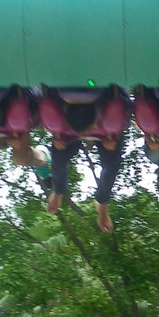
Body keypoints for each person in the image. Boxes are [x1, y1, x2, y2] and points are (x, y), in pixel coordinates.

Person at [45, 93, 126, 234]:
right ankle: (58, 190)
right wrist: (57, 139)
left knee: (111, 162)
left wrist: (116, 138)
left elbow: (126, 106)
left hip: (103, 117)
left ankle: (102, 202)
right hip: (70, 120)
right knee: (59, 153)